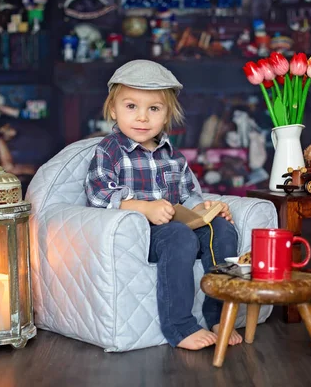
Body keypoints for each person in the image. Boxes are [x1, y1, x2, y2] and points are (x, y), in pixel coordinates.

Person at [85, 60, 243, 350]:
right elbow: (98, 193)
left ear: (167, 114)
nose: (142, 118)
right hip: (140, 234)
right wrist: (142, 207)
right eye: (131, 106)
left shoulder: (173, 156)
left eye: (153, 109)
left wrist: (203, 209)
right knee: (179, 235)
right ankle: (180, 326)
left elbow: (186, 194)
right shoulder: (109, 151)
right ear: (113, 110)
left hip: (175, 224)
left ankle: (220, 314)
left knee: (222, 231)